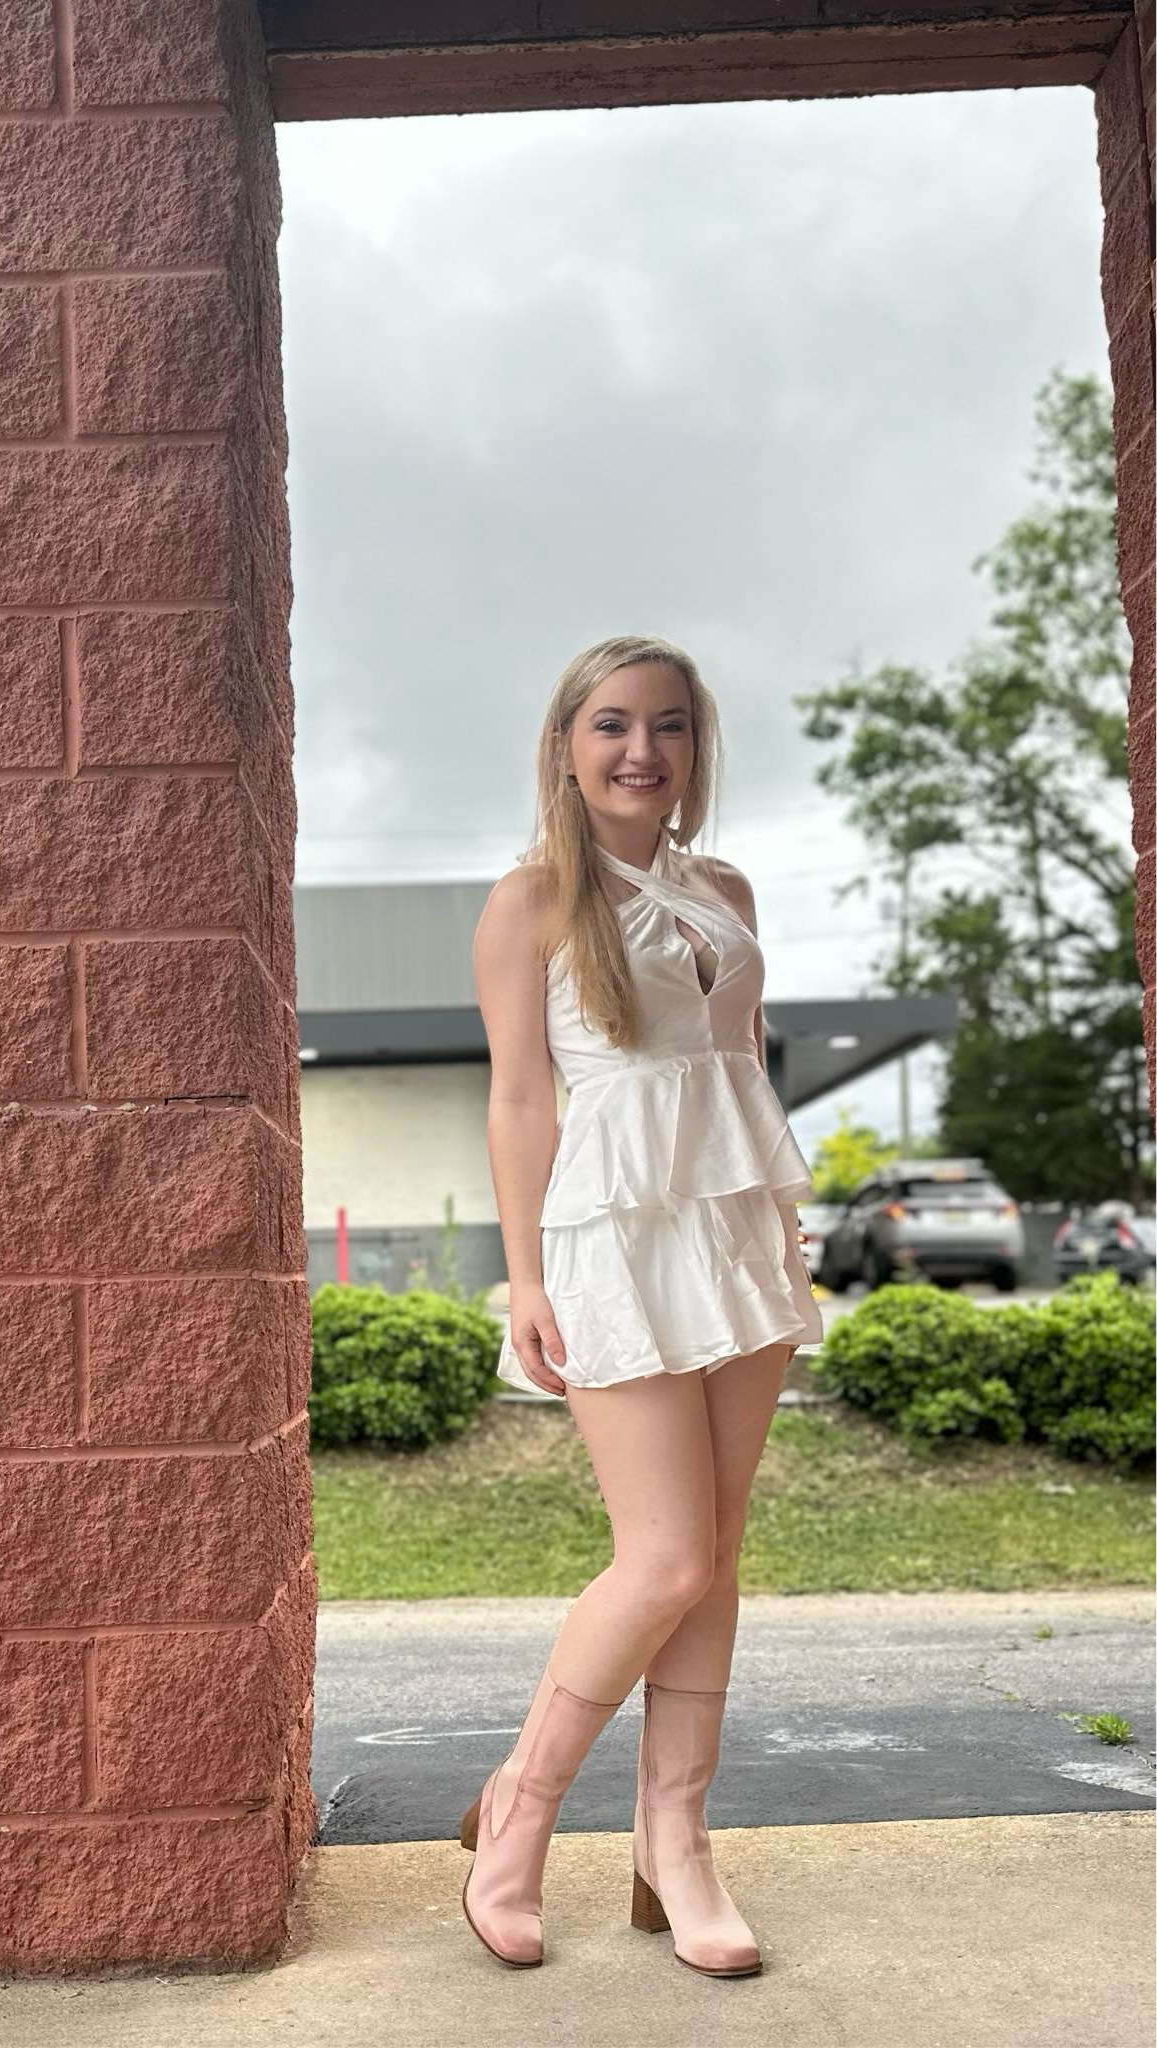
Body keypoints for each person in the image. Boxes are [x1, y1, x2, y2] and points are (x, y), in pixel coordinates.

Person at [463, 633, 823, 1976]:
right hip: (608, 1237)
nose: (639, 751)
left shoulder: (723, 887)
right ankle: (520, 1813)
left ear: (693, 748)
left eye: (666, 726)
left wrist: (778, 1233)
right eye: (611, 724)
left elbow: (732, 1073)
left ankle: (674, 1843)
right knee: (661, 1558)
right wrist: (526, 1274)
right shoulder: (530, 901)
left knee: (716, 1559)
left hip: (732, 1231)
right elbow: (516, 1098)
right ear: (566, 743)